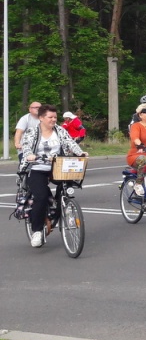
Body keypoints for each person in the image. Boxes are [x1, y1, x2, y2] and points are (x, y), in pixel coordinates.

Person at [19, 104, 89, 247]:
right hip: (37, 167)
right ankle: (37, 231)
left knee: (66, 187)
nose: (53, 120)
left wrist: (80, 153)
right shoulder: (32, 132)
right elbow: (26, 147)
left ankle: (60, 207)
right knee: (41, 196)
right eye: (50, 117)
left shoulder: (60, 130)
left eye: (55, 117)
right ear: (41, 118)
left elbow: (70, 143)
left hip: (58, 167)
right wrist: (30, 155)